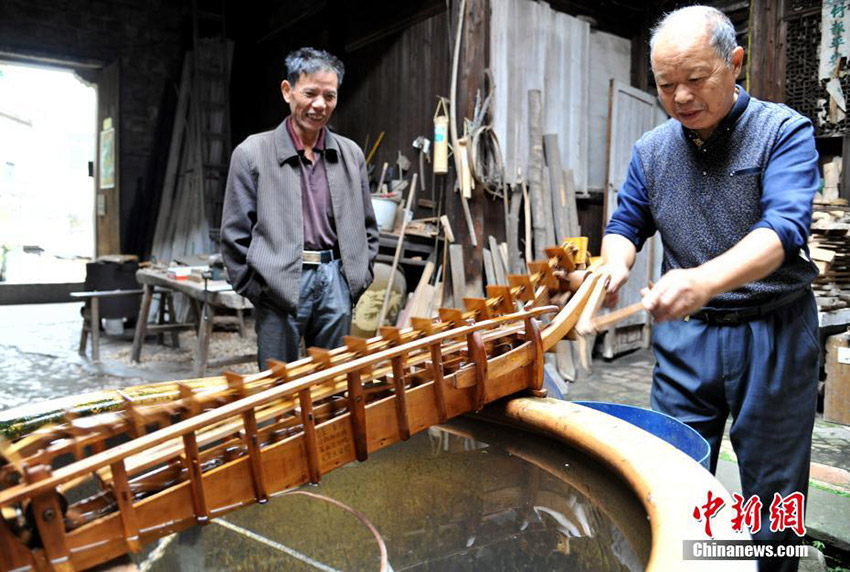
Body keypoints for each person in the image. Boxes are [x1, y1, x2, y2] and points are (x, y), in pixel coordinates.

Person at [602, 6, 819, 572]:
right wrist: (612, 266)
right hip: (687, 342)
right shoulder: (652, 150)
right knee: (675, 474)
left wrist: (702, 280)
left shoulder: (783, 132)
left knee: (774, 500)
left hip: (771, 333)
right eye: (666, 84)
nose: (680, 97)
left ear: (735, 63)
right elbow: (626, 224)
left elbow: (783, 232)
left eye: (696, 79)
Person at [221, 47, 379, 368]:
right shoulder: (252, 153)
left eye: (329, 96)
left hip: (336, 281)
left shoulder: (350, 155)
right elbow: (234, 236)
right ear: (287, 91)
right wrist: (260, 290)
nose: (320, 105)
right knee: (279, 388)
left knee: (332, 384)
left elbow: (368, 227)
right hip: (279, 285)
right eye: (310, 93)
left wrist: (356, 279)